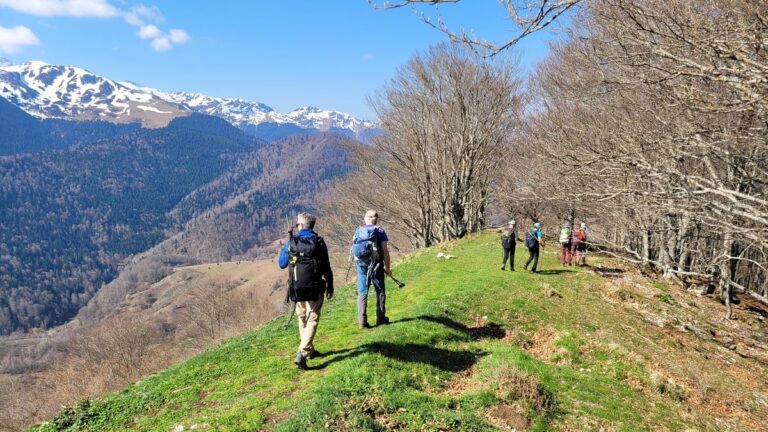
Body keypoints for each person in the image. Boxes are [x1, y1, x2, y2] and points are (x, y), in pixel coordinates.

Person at [278, 212, 334, 370]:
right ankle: (303, 352)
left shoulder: (292, 241)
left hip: (296, 287)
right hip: (315, 287)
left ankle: (308, 350)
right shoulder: (319, 242)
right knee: (312, 318)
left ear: (301, 225)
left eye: (297, 224)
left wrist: (287, 249)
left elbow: (282, 264)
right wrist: (330, 285)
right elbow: (326, 266)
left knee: (302, 318)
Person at [351, 210, 391, 328]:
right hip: (376, 265)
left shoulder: (358, 231)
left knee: (362, 292)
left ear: (365, 218)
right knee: (380, 291)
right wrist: (387, 267)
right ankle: (381, 318)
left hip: (361, 265)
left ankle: (362, 321)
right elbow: (385, 251)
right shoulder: (379, 231)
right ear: (376, 219)